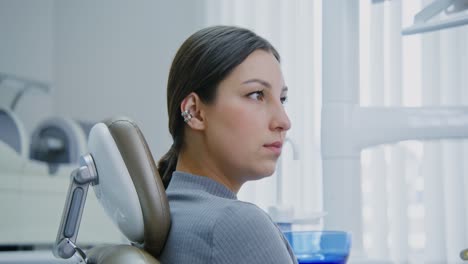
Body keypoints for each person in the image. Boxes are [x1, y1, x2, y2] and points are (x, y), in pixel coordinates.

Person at [158, 25, 296, 264]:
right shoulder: (236, 223)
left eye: (282, 99)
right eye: (256, 95)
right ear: (195, 112)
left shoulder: (171, 211)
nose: (284, 121)